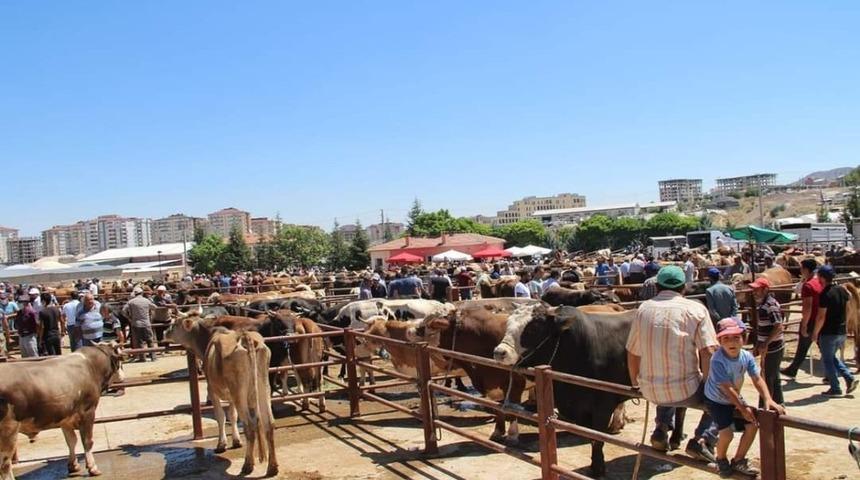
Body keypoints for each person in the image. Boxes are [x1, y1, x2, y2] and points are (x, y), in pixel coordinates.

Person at [626, 266, 718, 462]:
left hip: (650, 390)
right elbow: (709, 351)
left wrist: (636, 384)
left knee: (665, 378)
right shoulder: (695, 309)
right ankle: (703, 439)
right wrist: (710, 387)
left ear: (657, 287)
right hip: (687, 390)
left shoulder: (643, 309)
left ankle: (661, 428)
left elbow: (632, 352)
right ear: (684, 287)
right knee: (725, 394)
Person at [705, 318, 785, 477]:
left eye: (736, 337)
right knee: (727, 433)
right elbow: (726, 387)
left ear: (744, 338)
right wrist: (742, 407)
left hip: (733, 396)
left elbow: (757, 378)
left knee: (753, 425)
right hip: (717, 399)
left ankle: (738, 459)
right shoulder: (717, 359)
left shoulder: (746, 356)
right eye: (726, 338)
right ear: (719, 341)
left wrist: (768, 398)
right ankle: (720, 459)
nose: (731, 342)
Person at [813, 265, 859, 396]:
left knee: (828, 360)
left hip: (829, 332)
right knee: (832, 357)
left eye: (818, 276)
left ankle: (835, 388)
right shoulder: (841, 290)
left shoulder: (825, 294)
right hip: (841, 331)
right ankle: (849, 378)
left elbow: (821, 316)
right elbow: (850, 296)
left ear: (822, 278)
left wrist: (815, 332)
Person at [781, 259, 823, 379]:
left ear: (805, 269)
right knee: (808, 347)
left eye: (801, 268)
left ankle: (844, 375)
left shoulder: (808, 285)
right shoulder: (819, 282)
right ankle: (793, 369)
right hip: (820, 318)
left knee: (809, 346)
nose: (800, 270)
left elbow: (807, 307)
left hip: (811, 321)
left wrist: (804, 323)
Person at [749, 277, 784, 406]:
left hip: (773, 347)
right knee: (773, 376)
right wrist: (759, 344)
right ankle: (778, 403)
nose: (754, 292)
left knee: (767, 377)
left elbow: (778, 326)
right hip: (771, 346)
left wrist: (765, 343)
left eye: (757, 290)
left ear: (765, 290)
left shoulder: (769, 305)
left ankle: (765, 405)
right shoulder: (765, 305)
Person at [123, 287, 158, 362]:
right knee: (150, 340)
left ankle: (143, 358)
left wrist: (129, 318)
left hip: (136, 324)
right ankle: (153, 357)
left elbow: (123, 311)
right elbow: (155, 307)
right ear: (142, 293)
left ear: (135, 294)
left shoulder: (131, 302)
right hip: (146, 323)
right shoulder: (146, 301)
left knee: (140, 342)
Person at [0, 293, 18, 358]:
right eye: (1, 298)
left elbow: (18, 313)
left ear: (7, 298)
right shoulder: (0, 309)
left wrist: (9, 316)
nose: (3, 300)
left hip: (12, 327)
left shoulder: (12, 304)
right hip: (2, 329)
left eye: (4, 298)